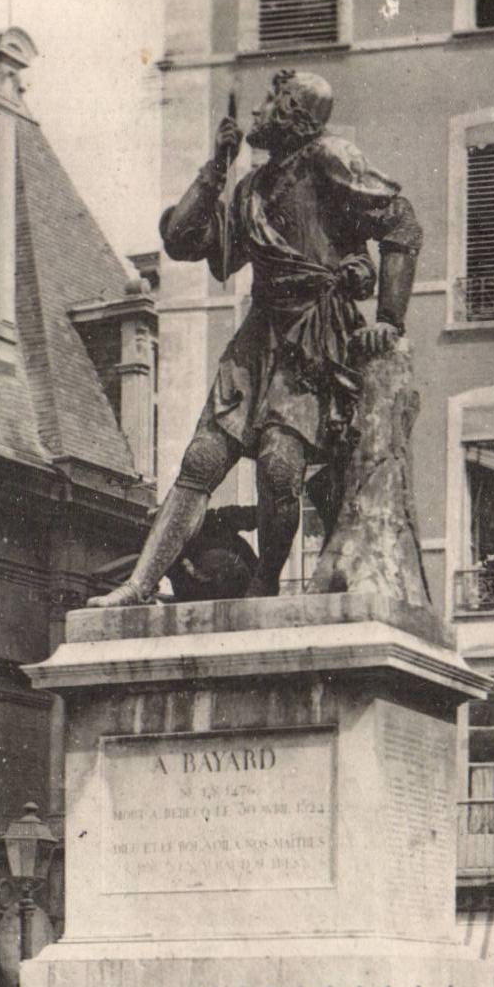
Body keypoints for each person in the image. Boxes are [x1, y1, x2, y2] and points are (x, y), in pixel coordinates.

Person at [88, 69, 422, 607]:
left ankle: (266, 584)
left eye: (272, 99)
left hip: (315, 336)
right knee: (201, 459)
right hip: (258, 337)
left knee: (280, 464)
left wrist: (390, 316)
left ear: (295, 114)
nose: (259, 110)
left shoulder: (329, 159)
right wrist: (215, 169)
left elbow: (401, 221)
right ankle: (139, 584)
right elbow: (181, 240)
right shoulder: (250, 190)